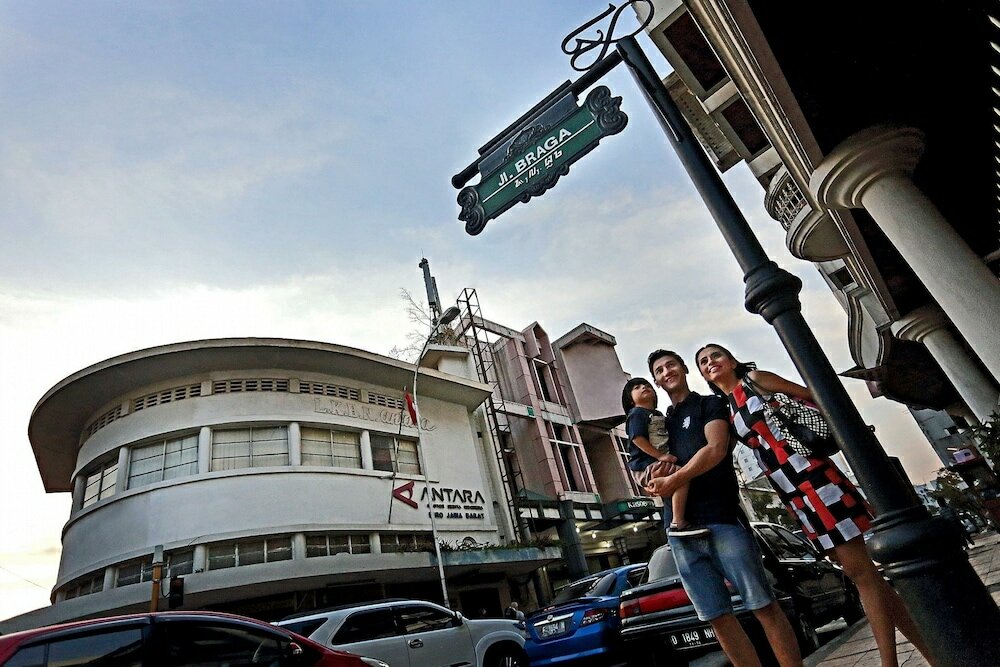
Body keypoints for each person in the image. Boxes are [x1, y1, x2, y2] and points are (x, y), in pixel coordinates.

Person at [695, 343, 936, 667]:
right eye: (703, 362)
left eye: (716, 355)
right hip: (791, 490)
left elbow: (812, 394)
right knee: (865, 578)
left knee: (861, 573)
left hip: (814, 477)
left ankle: (889, 662)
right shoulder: (728, 408)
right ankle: (933, 653)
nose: (711, 362)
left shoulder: (755, 379)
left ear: (732, 359)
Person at [644, 349, 803, 667]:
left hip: (722, 519)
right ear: (655, 380)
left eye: (671, 365)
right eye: (659, 370)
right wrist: (651, 480)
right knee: (717, 617)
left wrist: (675, 477)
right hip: (680, 533)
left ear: (685, 369)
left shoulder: (709, 404)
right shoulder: (657, 425)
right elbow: (650, 476)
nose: (666, 372)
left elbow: (715, 449)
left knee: (762, 605)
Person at [622, 377, 707, 536]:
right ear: (630, 400)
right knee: (682, 476)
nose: (643, 387)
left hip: (654, 464)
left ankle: (675, 523)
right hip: (645, 465)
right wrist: (660, 456)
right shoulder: (637, 413)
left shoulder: (658, 414)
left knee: (676, 481)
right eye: (637, 387)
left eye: (646, 385)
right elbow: (637, 438)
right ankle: (677, 522)